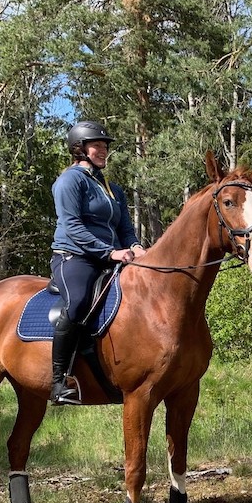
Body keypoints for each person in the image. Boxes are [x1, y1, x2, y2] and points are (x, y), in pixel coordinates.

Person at [48, 120, 147, 405]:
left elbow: (126, 229)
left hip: (110, 258)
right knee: (78, 302)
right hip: (74, 256)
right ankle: (58, 383)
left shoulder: (113, 189)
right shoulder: (69, 181)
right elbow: (72, 226)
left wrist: (136, 246)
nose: (103, 151)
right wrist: (110, 252)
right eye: (97, 146)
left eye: (105, 146)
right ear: (80, 149)